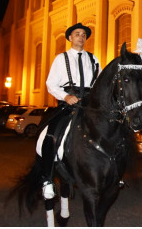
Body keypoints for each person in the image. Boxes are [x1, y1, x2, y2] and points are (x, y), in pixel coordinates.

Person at [38, 22, 100, 200]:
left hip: (88, 104)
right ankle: (47, 179)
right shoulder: (60, 58)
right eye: (77, 34)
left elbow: (98, 83)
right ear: (70, 38)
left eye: (83, 34)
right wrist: (65, 97)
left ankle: (110, 171)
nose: (81, 37)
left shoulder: (93, 59)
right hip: (67, 103)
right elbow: (51, 84)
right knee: (51, 133)